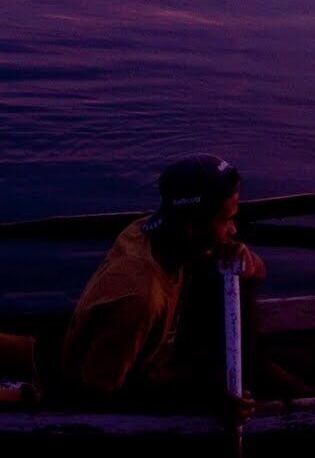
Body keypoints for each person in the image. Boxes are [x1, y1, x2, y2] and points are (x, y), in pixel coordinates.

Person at [61, 153, 264, 413]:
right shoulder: (140, 300)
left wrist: (243, 258)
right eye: (226, 220)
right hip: (117, 392)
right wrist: (205, 403)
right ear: (192, 227)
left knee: (233, 288)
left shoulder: (145, 230)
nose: (233, 230)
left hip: (158, 359)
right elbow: (97, 398)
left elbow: (258, 272)